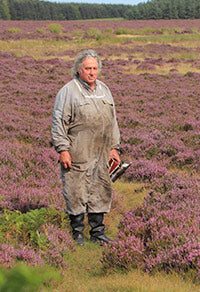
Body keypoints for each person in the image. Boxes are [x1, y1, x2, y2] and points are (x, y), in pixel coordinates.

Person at [51, 49, 121, 246]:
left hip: (102, 151)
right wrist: (63, 149)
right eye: (88, 68)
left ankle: (98, 232)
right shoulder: (68, 91)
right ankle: (77, 234)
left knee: (101, 189)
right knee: (76, 191)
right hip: (77, 151)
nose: (92, 72)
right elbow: (59, 122)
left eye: (95, 68)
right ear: (78, 70)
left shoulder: (104, 89)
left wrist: (114, 147)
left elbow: (113, 121)